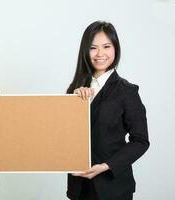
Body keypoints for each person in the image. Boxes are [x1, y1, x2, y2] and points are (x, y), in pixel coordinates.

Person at [66, 21, 149, 200]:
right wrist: (75, 103)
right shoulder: (74, 90)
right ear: (85, 52)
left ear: (115, 49)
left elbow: (141, 141)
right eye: (93, 48)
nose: (100, 54)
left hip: (113, 187)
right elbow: (62, 136)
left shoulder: (127, 91)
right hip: (79, 187)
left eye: (106, 46)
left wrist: (106, 166)